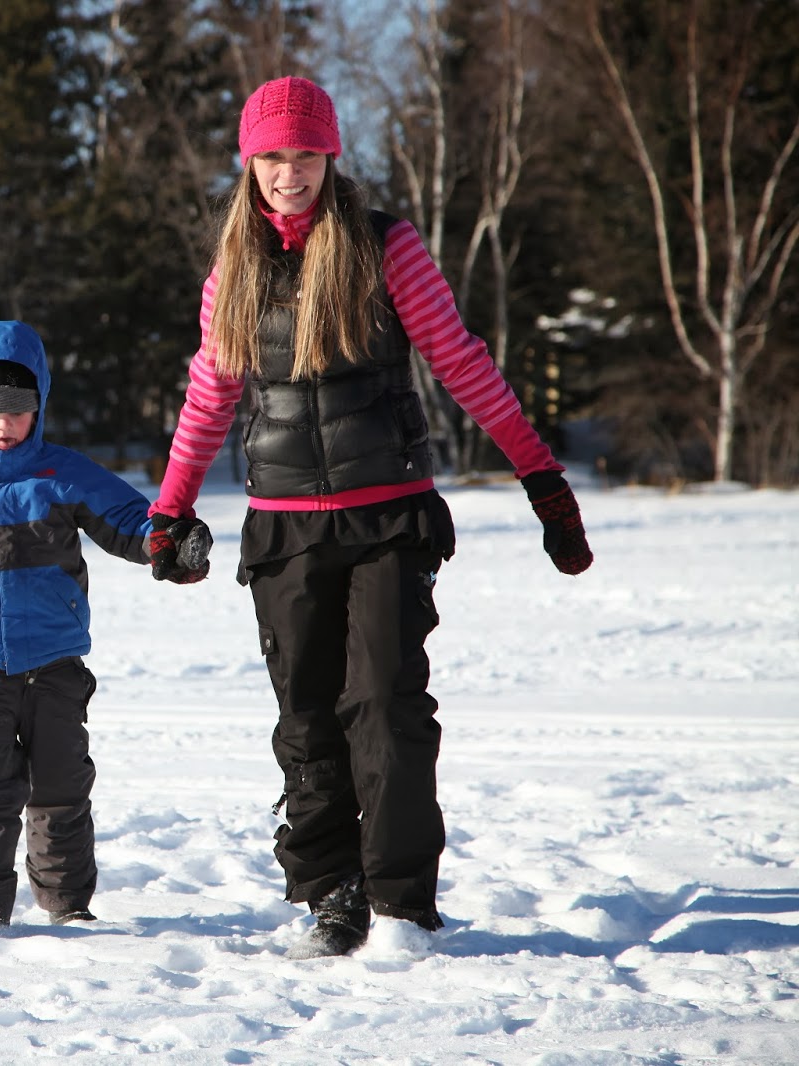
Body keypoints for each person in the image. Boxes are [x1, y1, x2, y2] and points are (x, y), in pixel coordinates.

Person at [147, 76, 594, 958]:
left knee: (385, 705)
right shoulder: (233, 271)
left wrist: (540, 477)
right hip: (284, 528)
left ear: (331, 156)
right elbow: (209, 396)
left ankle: (400, 903)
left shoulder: (386, 248)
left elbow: (462, 363)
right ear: (250, 163)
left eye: (306, 155)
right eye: (273, 156)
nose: (290, 173)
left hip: (387, 516)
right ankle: (332, 894)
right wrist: (170, 508)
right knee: (307, 718)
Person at [0, 320, 208, 933]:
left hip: (56, 660)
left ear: (39, 403)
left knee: (61, 784)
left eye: (16, 411)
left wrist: (171, 544)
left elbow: (131, 521)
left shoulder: (63, 472)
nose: (2, 425)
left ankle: (68, 902)